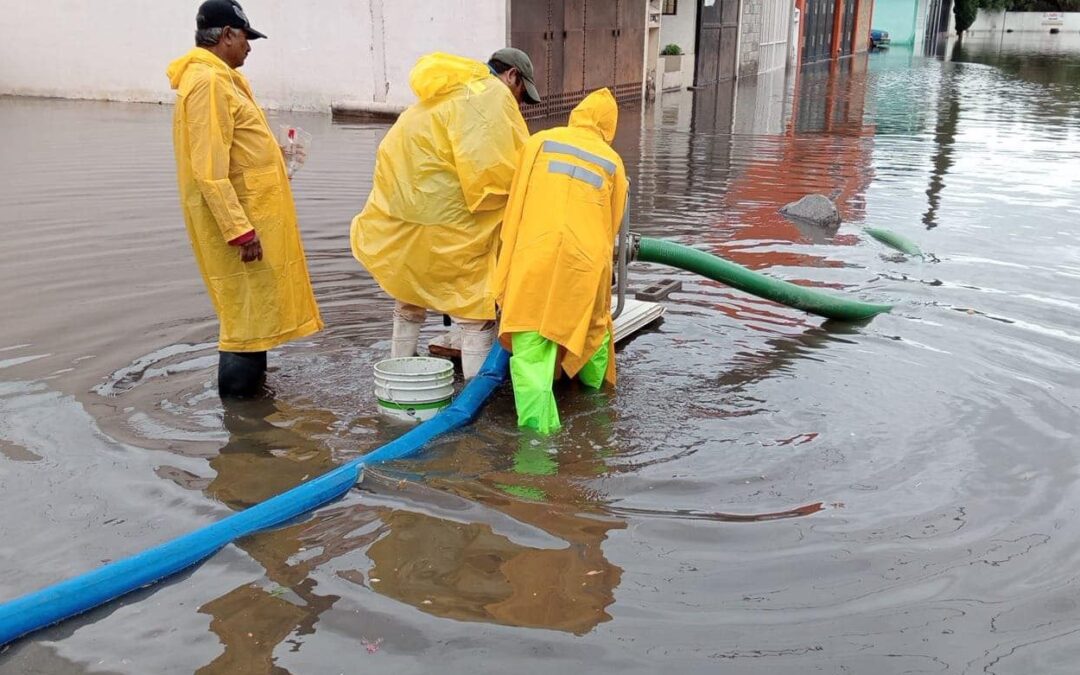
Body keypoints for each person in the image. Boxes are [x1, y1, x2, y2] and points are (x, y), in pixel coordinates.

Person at [166, 0, 323, 398]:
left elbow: (235, 152)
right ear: (226, 35)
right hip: (242, 228)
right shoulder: (208, 84)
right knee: (245, 323)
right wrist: (239, 231)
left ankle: (254, 411)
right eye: (246, 38)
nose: (249, 47)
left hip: (254, 220)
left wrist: (274, 157)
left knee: (255, 319)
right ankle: (242, 426)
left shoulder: (222, 81)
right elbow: (208, 168)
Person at [350, 48, 538, 378]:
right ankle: (476, 399)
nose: (520, 104)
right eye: (522, 94)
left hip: (403, 216)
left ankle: (398, 376)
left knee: (409, 295)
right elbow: (494, 175)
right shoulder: (491, 94)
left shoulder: (448, 91)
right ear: (512, 76)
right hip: (451, 222)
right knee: (474, 311)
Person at [493, 88, 628, 434]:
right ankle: (597, 409)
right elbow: (611, 227)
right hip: (583, 266)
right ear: (609, 126)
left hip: (534, 257)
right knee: (593, 330)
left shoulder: (540, 142)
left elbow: (516, 199)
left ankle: (539, 445)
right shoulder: (613, 162)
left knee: (532, 354)